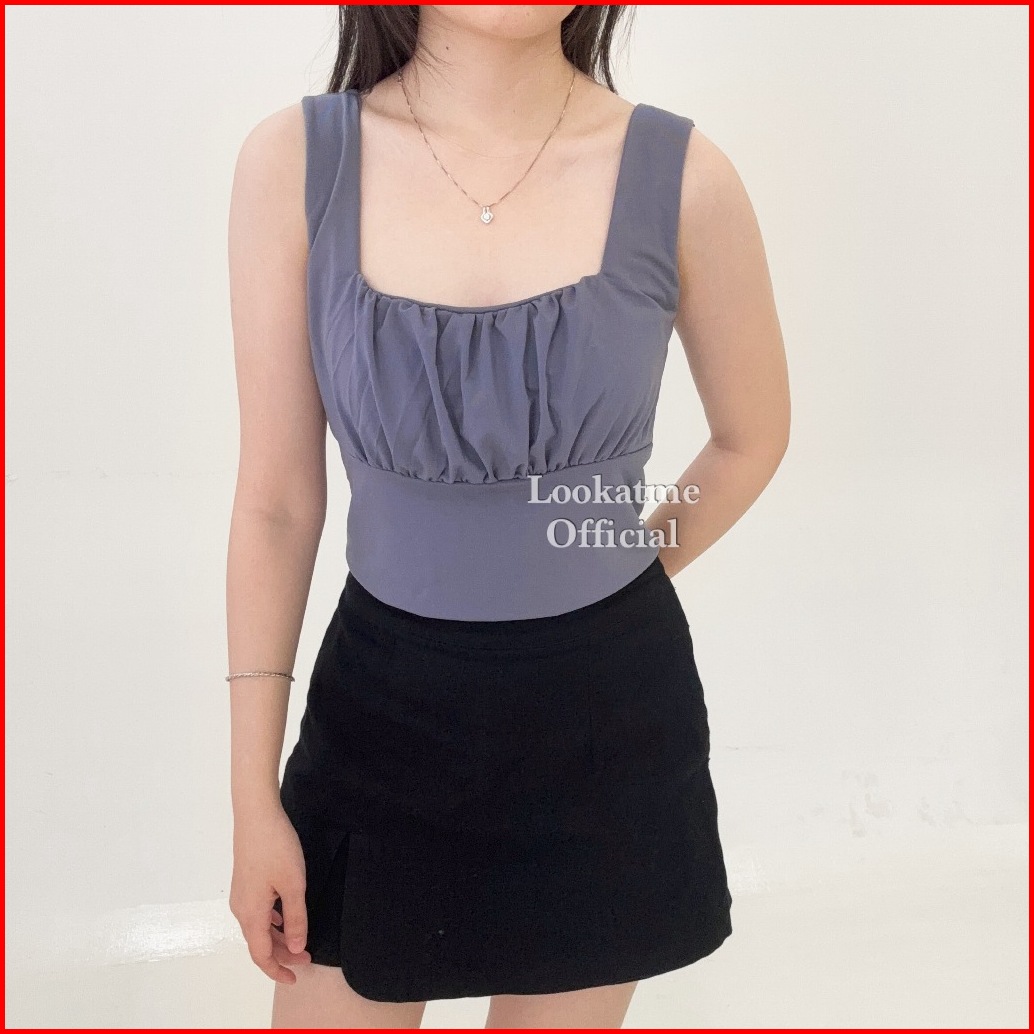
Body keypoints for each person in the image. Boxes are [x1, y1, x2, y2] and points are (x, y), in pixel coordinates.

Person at [226, 5, 789, 1029]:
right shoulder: (295, 162)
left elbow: (751, 438)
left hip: (606, 726)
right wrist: (251, 798)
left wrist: (606, 566)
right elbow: (275, 503)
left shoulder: (685, 176)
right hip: (379, 718)